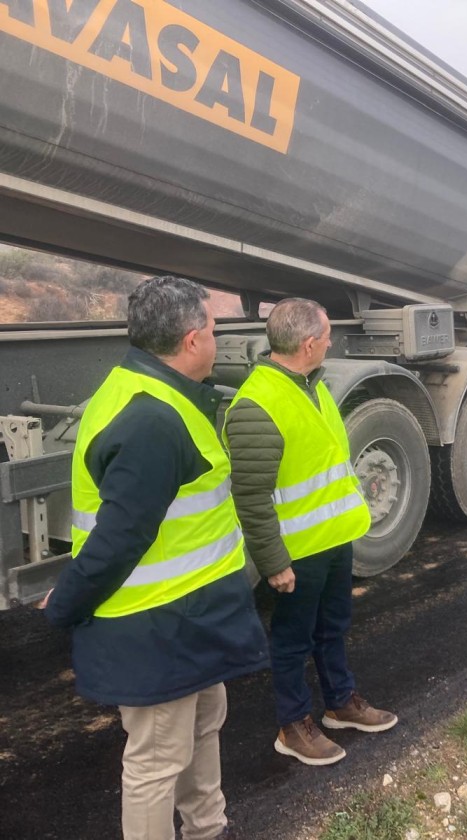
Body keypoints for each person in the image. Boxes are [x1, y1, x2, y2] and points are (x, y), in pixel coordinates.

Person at [42, 275, 269, 840]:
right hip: (157, 626)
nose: (218, 338)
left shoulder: (150, 389)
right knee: (156, 761)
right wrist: (63, 605)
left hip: (188, 618)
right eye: (213, 329)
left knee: (202, 728)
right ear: (192, 341)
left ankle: (208, 828)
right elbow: (120, 537)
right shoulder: (151, 420)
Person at [223, 297, 396, 766]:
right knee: (292, 638)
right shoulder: (257, 406)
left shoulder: (308, 385)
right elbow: (251, 496)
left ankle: (340, 702)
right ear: (307, 344)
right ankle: (293, 725)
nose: (330, 342)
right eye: (325, 336)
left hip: (332, 540)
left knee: (333, 627)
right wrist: (274, 561)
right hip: (298, 551)